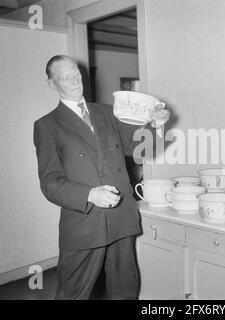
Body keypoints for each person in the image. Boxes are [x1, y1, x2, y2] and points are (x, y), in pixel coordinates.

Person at [33, 55, 169, 300]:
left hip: (120, 217)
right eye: (65, 77)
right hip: (84, 223)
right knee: (73, 294)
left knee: (125, 291)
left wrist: (156, 126)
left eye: (76, 74)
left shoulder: (108, 112)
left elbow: (140, 150)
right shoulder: (47, 125)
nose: (75, 81)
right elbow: (50, 183)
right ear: (52, 83)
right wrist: (90, 194)